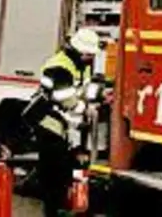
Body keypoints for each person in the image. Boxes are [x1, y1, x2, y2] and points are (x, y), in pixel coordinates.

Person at [21, 27, 103, 217]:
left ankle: (59, 206)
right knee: (53, 173)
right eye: (89, 54)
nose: (92, 58)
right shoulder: (59, 66)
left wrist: (98, 97)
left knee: (64, 170)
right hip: (48, 123)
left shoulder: (81, 64)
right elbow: (63, 97)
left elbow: (82, 88)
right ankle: (52, 210)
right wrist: (85, 108)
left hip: (64, 125)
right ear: (81, 51)